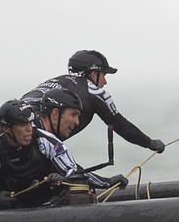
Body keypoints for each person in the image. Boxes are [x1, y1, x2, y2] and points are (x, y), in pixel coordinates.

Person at [0, 94, 129, 208]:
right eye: (22, 125)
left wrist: (107, 182)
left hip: (43, 203)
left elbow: (73, 172)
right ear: (6, 128)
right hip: (8, 210)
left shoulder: (46, 142)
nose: (29, 130)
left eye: (30, 123)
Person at [22, 49, 165, 154]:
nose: (105, 81)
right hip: (37, 134)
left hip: (14, 123)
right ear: (94, 74)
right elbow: (121, 125)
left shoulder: (55, 79)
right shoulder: (95, 91)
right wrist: (150, 143)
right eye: (104, 75)